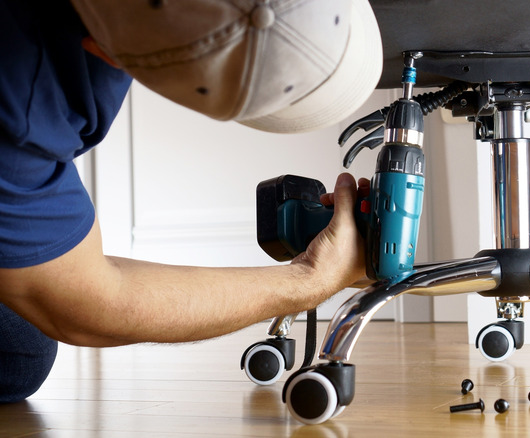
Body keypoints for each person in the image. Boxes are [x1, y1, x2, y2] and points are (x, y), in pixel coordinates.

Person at [0, 0, 382, 402]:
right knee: (20, 359)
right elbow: (88, 303)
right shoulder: (17, 116)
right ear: (103, 50)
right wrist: (314, 278)